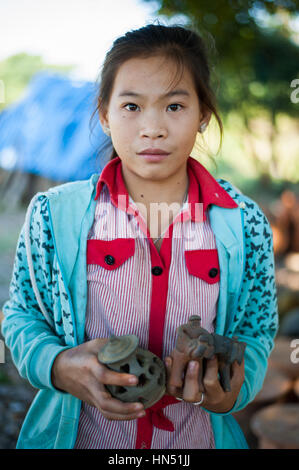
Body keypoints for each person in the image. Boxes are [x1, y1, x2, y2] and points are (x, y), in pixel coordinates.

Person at [1, 23, 278, 449]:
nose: (153, 128)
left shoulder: (245, 223)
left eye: (174, 107)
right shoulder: (52, 215)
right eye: (131, 106)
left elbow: (256, 330)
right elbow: (21, 315)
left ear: (203, 114)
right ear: (104, 114)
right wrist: (57, 365)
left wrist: (231, 393)